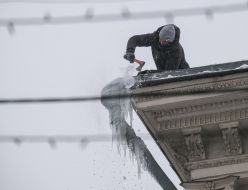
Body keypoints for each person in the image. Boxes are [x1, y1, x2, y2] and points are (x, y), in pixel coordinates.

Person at [124, 24, 189, 71]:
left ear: (170, 41)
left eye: (165, 41)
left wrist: (149, 73)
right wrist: (130, 51)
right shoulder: (154, 38)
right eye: (161, 39)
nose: (161, 42)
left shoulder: (175, 51)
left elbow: (168, 74)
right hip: (163, 76)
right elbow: (134, 39)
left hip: (183, 77)